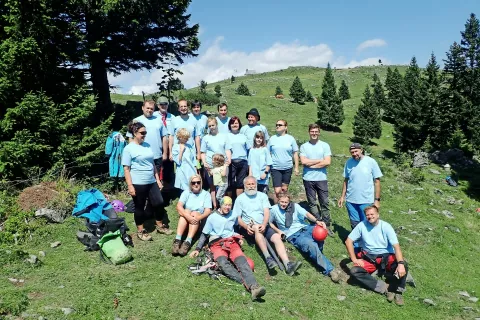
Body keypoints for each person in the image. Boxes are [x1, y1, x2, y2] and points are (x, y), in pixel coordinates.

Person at [189, 196, 267, 301]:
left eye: (229, 205)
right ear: (221, 205)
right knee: (223, 263)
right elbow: (204, 234)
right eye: (225, 204)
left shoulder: (233, 214)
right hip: (217, 244)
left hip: (232, 242)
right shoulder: (212, 217)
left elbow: (233, 226)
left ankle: (254, 287)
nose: (227, 207)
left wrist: (238, 237)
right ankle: (248, 284)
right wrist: (197, 249)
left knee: (242, 261)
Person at [269, 192, 340, 280]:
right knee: (311, 245)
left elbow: (306, 214)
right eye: (282, 202)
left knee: (321, 232)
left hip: (305, 228)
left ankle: (318, 256)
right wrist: (278, 231)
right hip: (294, 235)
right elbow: (269, 223)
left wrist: (317, 221)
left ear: (289, 202)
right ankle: (330, 270)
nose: (283, 204)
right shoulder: (273, 209)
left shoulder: (294, 206)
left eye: (286, 202)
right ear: (278, 201)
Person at [345, 205, 408, 306]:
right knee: (355, 271)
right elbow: (348, 241)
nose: (370, 217)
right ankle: (384, 288)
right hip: (369, 258)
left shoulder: (386, 226)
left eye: (372, 214)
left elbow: (396, 247)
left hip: (386, 256)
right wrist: (354, 259)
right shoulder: (362, 225)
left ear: (378, 214)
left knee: (403, 264)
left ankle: (398, 291)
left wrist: (400, 264)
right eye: (367, 215)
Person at [234, 176, 295, 271]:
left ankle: (287, 263)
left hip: (264, 225)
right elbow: (237, 218)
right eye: (248, 184)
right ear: (245, 186)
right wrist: (246, 227)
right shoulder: (240, 199)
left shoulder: (262, 196)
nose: (251, 186)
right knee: (257, 227)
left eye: (253, 184)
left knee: (276, 237)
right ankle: (268, 258)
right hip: (250, 228)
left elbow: (267, 212)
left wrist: (264, 223)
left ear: (256, 184)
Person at [122, 122, 165, 241]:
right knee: (139, 206)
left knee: (159, 202)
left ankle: (160, 225)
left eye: (145, 132)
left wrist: (157, 180)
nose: (144, 135)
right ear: (135, 133)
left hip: (151, 180)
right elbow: (126, 169)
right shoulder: (128, 149)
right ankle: (141, 230)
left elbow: (152, 164)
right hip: (138, 182)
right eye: (142, 133)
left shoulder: (147, 145)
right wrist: (130, 186)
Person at [338, 143, 383, 229]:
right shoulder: (349, 162)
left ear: (361, 150)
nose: (354, 154)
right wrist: (342, 197)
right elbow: (346, 180)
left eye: (356, 151)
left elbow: (377, 181)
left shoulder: (371, 162)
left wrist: (377, 200)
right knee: (355, 225)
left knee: (367, 224)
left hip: (366, 200)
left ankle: (369, 242)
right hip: (351, 201)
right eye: (352, 152)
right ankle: (356, 242)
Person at [299, 124, 333, 235]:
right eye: (312, 131)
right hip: (308, 178)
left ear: (319, 132)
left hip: (321, 178)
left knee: (324, 202)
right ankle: (318, 221)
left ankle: (327, 225)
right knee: (312, 202)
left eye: (316, 131)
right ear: (309, 132)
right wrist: (319, 161)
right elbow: (303, 162)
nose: (314, 133)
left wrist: (311, 164)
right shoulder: (304, 146)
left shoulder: (325, 146)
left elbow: (327, 162)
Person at [172, 174, 212, 256]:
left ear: (201, 183)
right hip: (187, 219)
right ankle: (178, 239)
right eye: (193, 183)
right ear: (190, 184)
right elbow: (179, 206)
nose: (196, 184)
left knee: (194, 213)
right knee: (185, 211)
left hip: (198, 220)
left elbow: (208, 210)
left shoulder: (205, 194)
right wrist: (188, 216)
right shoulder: (186, 192)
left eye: (198, 182)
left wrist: (199, 217)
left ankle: (188, 241)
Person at [201, 117, 231, 208]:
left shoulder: (224, 136)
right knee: (212, 186)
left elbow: (227, 149)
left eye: (213, 125)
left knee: (222, 186)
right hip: (210, 165)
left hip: (222, 165)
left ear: (216, 125)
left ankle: (224, 206)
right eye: (209, 126)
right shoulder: (206, 138)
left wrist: (229, 159)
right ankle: (214, 206)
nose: (211, 127)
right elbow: (203, 152)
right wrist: (204, 162)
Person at [267, 119, 299, 202]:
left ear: (285, 127)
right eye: (276, 125)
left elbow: (295, 153)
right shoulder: (272, 139)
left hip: (287, 168)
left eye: (280, 125)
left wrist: (296, 167)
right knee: (277, 191)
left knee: (284, 189)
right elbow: (267, 153)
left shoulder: (291, 139)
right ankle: (276, 209)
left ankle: (283, 207)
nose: (277, 126)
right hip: (275, 168)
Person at [169, 99, 201, 164]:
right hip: (178, 154)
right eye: (181, 106)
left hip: (191, 153)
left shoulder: (194, 120)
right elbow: (171, 137)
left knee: (193, 173)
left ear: (188, 107)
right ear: (178, 108)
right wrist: (170, 153)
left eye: (185, 106)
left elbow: (197, 137)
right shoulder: (174, 120)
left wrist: (198, 153)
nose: (183, 108)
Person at [154, 98, 175, 187]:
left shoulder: (172, 117)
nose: (164, 106)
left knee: (168, 169)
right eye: (161, 104)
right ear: (158, 105)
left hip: (170, 146)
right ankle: (157, 188)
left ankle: (168, 188)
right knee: (157, 169)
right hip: (158, 146)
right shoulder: (154, 116)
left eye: (165, 104)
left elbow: (173, 133)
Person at [227, 116, 249, 198]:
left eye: (236, 123)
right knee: (230, 183)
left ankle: (238, 202)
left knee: (240, 184)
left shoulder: (243, 136)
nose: (234, 125)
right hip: (231, 162)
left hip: (243, 162)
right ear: (230, 125)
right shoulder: (227, 136)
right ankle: (229, 203)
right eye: (232, 123)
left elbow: (248, 150)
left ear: (239, 124)